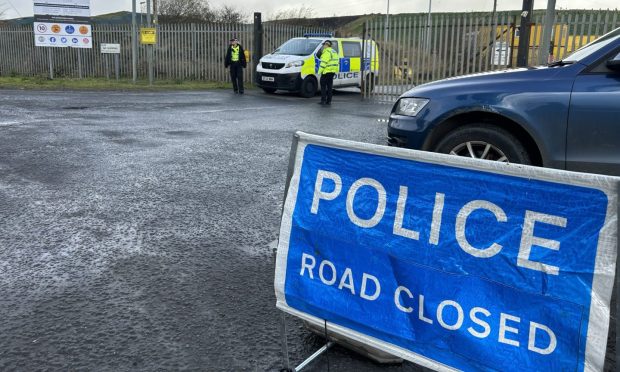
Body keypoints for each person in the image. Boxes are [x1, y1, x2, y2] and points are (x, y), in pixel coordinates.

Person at [317, 40, 339, 106]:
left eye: (324, 45)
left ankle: (323, 100)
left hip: (326, 71)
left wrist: (319, 71)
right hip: (332, 71)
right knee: (329, 87)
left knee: (323, 86)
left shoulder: (327, 52)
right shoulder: (334, 51)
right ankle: (329, 101)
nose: (323, 46)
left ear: (326, 45)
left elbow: (323, 63)